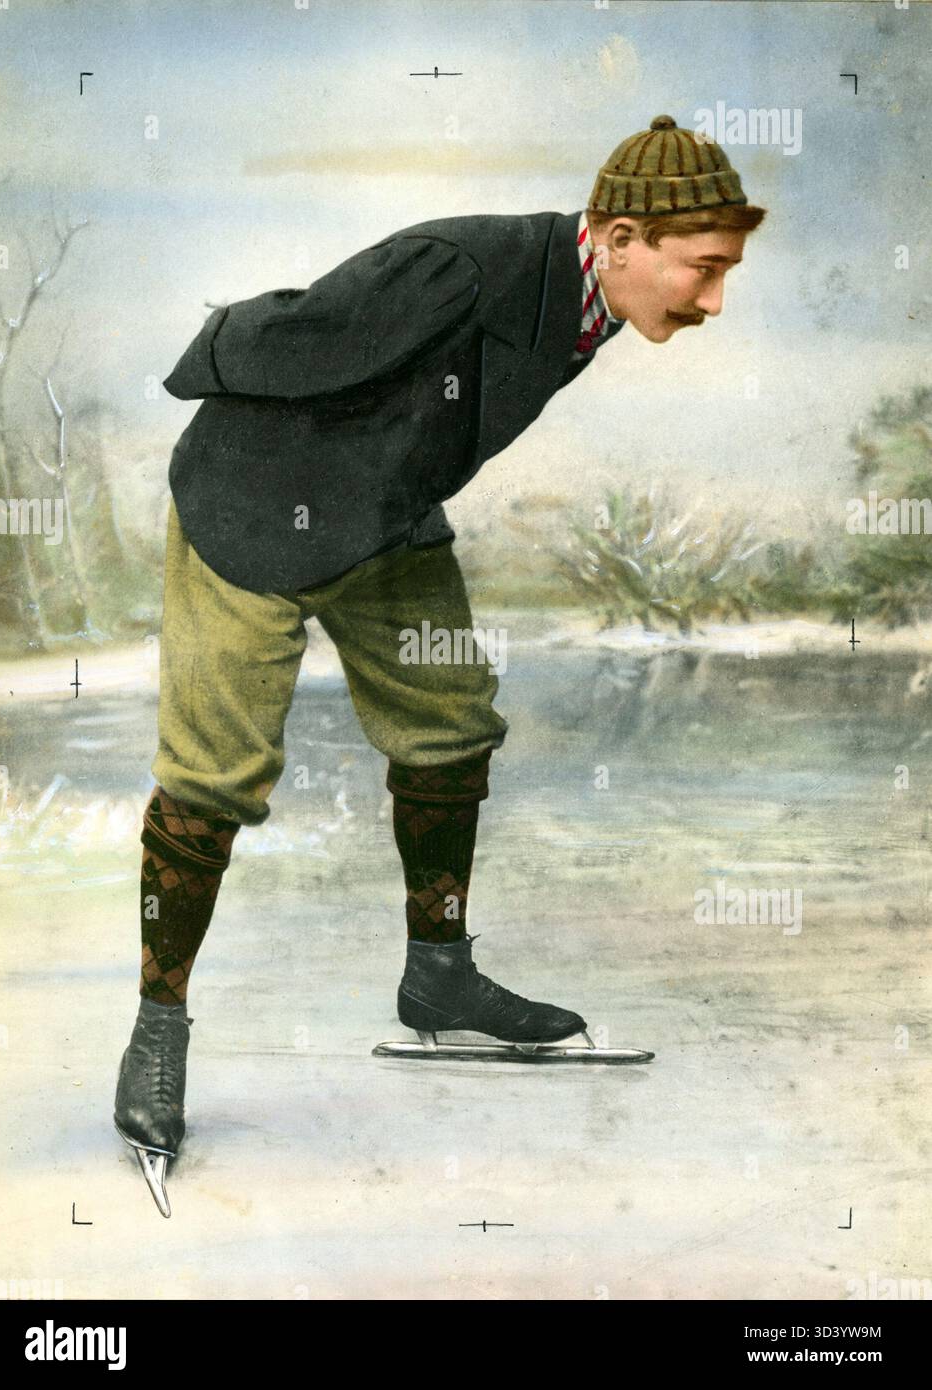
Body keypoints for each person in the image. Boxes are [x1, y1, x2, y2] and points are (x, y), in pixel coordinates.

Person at [115, 115, 766, 1214]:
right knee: (212, 778)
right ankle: (156, 1033)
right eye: (702, 271)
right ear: (617, 237)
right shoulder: (461, 267)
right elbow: (296, 332)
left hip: (384, 518)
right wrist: (219, 363)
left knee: (452, 720)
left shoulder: (595, 299)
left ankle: (440, 973)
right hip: (251, 510)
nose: (712, 302)